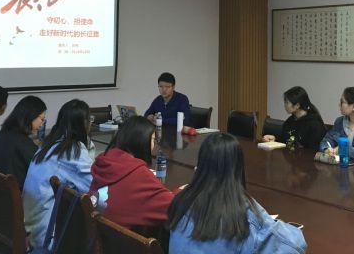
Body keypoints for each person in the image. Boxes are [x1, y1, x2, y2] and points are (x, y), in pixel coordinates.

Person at [167, 132, 307, 254]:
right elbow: (294, 245)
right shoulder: (241, 213)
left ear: (201, 164)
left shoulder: (181, 201)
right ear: (237, 167)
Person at [22, 99, 95, 249]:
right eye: (90, 120)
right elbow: (93, 186)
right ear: (84, 123)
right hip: (47, 233)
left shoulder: (49, 143)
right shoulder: (72, 149)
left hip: (30, 224)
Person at [90, 116, 179, 228]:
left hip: (101, 232)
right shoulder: (138, 174)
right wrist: (180, 191)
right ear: (141, 141)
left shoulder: (103, 161)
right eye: (152, 140)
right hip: (125, 237)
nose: (154, 145)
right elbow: (174, 208)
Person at [0, 95, 47, 191]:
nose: (42, 124)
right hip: (14, 196)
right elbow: (43, 171)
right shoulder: (23, 144)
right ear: (31, 116)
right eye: (42, 119)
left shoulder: (1, 135)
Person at [261, 86, 326, 149]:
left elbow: (314, 150)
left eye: (287, 102)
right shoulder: (290, 121)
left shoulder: (314, 124)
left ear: (297, 105)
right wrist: (274, 139)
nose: (285, 105)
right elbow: (285, 141)